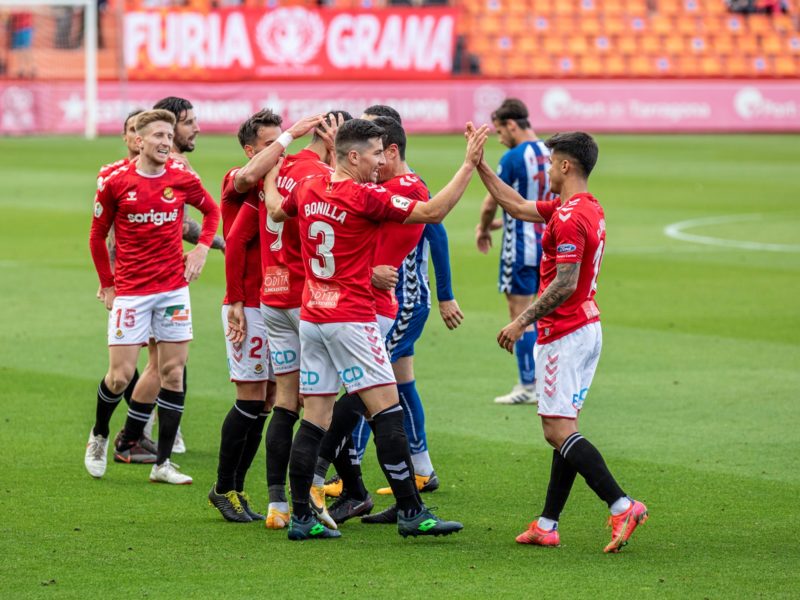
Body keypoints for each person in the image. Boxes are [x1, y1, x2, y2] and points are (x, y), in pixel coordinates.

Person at [258, 119, 489, 540]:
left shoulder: (309, 187)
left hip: (312, 316)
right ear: (352, 156)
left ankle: (301, 518)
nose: (381, 160)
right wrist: (469, 164)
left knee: (315, 419)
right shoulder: (362, 197)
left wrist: (271, 175)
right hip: (351, 316)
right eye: (375, 153)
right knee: (387, 409)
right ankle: (410, 511)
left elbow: (275, 208)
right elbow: (433, 212)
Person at [474, 129, 649, 553]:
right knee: (564, 428)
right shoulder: (582, 206)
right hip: (585, 328)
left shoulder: (571, 218)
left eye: (552, 163)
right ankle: (547, 523)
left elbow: (566, 283)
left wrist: (522, 323)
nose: (548, 169)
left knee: (556, 430)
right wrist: (477, 163)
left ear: (566, 166)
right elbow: (515, 205)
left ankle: (622, 505)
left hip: (565, 332)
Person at [323, 106, 462, 507]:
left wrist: (446, 293)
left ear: (391, 149)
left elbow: (437, 233)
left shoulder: (408, 187)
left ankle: (345, 468)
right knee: (400, 383)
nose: (374, 158)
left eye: (377, 149)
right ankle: (421, 468)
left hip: (404, 301)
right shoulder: (377, 186)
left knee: (367, 385)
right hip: (380, 298)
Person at [224, 110, 346, 529]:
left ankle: (276, 504)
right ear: (334, 138)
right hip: (307, 300)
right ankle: (308, 501)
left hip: (271, 298)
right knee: (321, 407)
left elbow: (240, 235)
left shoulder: (276, 168)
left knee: (283, 403)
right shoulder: (320, 177)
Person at [85, 109, 220, 484]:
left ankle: (162, 465)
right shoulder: (114, 182)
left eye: (168, 136)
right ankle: (99, 434)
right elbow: (97, 236)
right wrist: (108, 283)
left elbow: (211, 212)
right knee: (119, 376)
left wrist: (201, 249)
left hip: (173, 290)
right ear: (138, 140)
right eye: (157, 136)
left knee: (172, 373)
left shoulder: (181, 177)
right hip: (131, 292)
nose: (164, 142)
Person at [136, 96, 225, 453]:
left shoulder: (173, 165)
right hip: (149, 279)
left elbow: (178, 223)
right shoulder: (163, 168)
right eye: (189, 122)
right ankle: (139, 434)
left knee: (163, 358)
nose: (197, 128)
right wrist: (216, 243)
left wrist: (212, 243)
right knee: (160, 361)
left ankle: (152, 429)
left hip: (160, 276)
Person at [475, 98, 555, 406]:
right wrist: (502, 222)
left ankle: (528, 385)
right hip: (550, 243)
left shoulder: (512, 158)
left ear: (511, 125)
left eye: (499, 131)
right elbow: (538, 201)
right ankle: (549, 380)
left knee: (520, 316)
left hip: (520, 248)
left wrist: (483, 228)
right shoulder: (552, 150)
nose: (500, 138)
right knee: (548, 314)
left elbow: (490, 201)